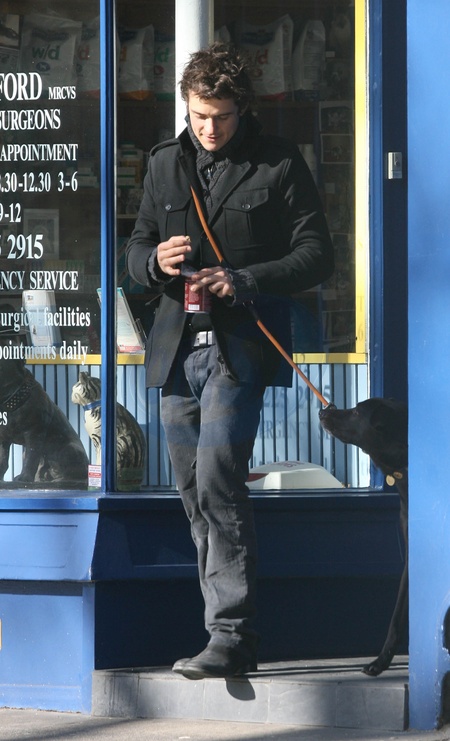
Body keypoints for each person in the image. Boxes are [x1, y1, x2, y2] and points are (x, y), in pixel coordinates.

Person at [126, 42, 334, 680]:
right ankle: (219, 631)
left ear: (242, 108)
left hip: (238, 350)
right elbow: (134, 250)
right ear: (185, 108)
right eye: (198, 116)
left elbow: (317, 254)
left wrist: (244, 279)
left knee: (219, 481)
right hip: (175, 350)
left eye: (220, 116)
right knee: (193, 493)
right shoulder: (164, 162)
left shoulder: (279, 162)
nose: (209, 129)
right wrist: (153, 262)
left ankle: (232, 636)